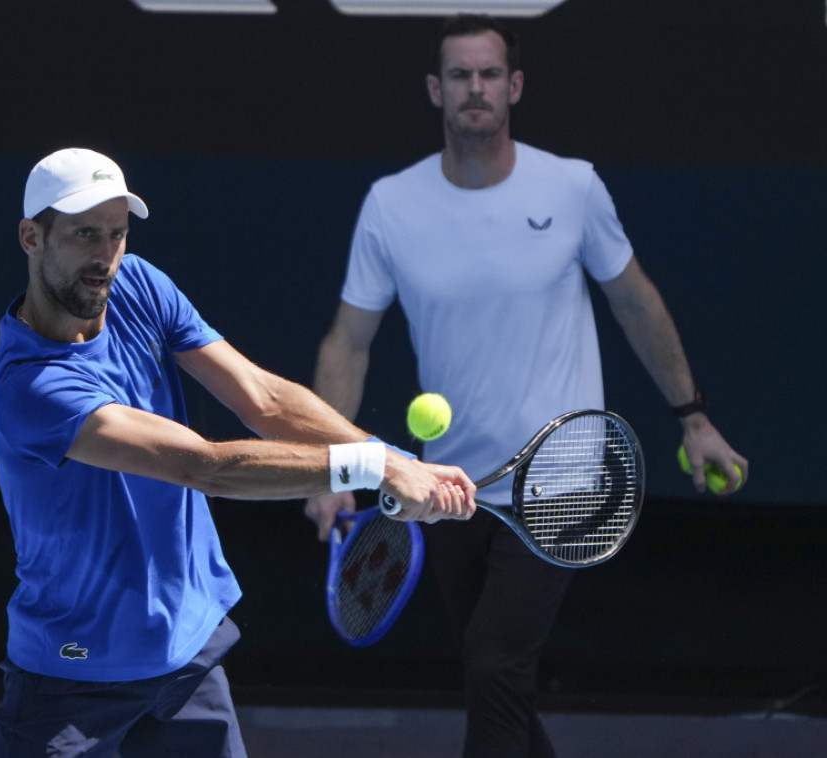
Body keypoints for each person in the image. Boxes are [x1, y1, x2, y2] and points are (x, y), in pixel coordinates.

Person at [304, 14, 749, 758]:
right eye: (459, 75)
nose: (474, 89)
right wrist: (333, 468)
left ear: (513, 86)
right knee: (494, 680)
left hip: (560, 483)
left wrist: (693, 417)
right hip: (448, 487)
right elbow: (348, 342)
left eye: (488, 74)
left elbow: (635, 301)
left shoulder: (572, 188)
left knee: (493, 662)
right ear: (436, 90)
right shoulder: (391, 204)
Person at [0, 147, 476, 758]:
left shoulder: (138, 285)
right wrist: (377, 467)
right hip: (73, 676)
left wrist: (394, 458)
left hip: (188, 657)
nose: (105, 255)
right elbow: (204, 466)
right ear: (31, 237)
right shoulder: (27, 387)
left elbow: (263, 399)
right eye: (84, 234)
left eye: (117, 233)